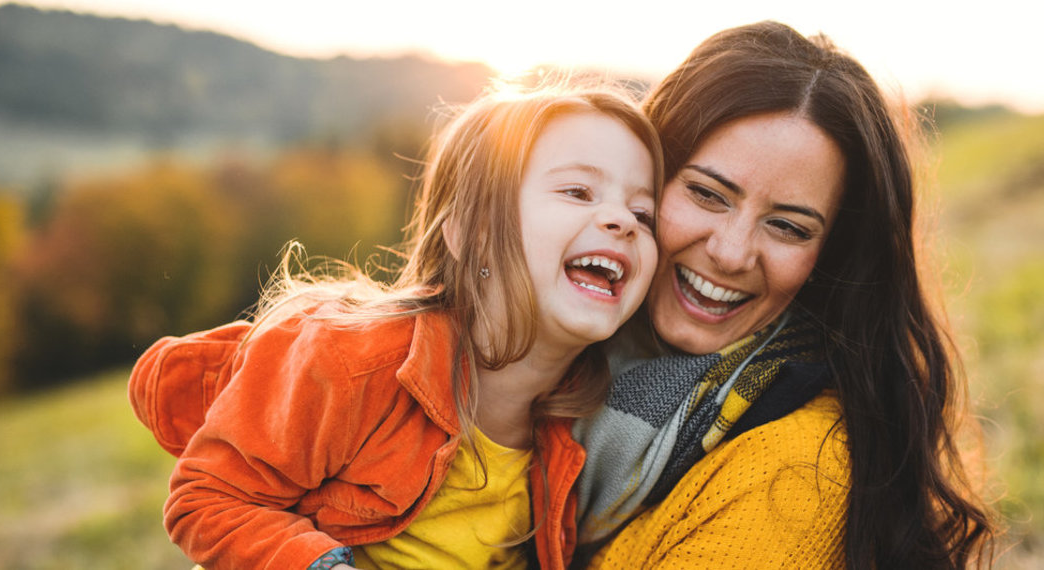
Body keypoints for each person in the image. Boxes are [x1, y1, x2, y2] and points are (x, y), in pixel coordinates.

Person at [129, 82, 663, 570]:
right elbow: (207, 497)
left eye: (644, 214)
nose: (623, 222)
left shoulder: (588, 422)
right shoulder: (349, 361)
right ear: (470, 232)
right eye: (578, 192)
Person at [573, 21, 998, 569]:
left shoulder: (793, 471)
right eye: (706, 193)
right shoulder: (540, 358)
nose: (730, 253)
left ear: (831, 257)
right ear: (643, 179)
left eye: (789, 228)